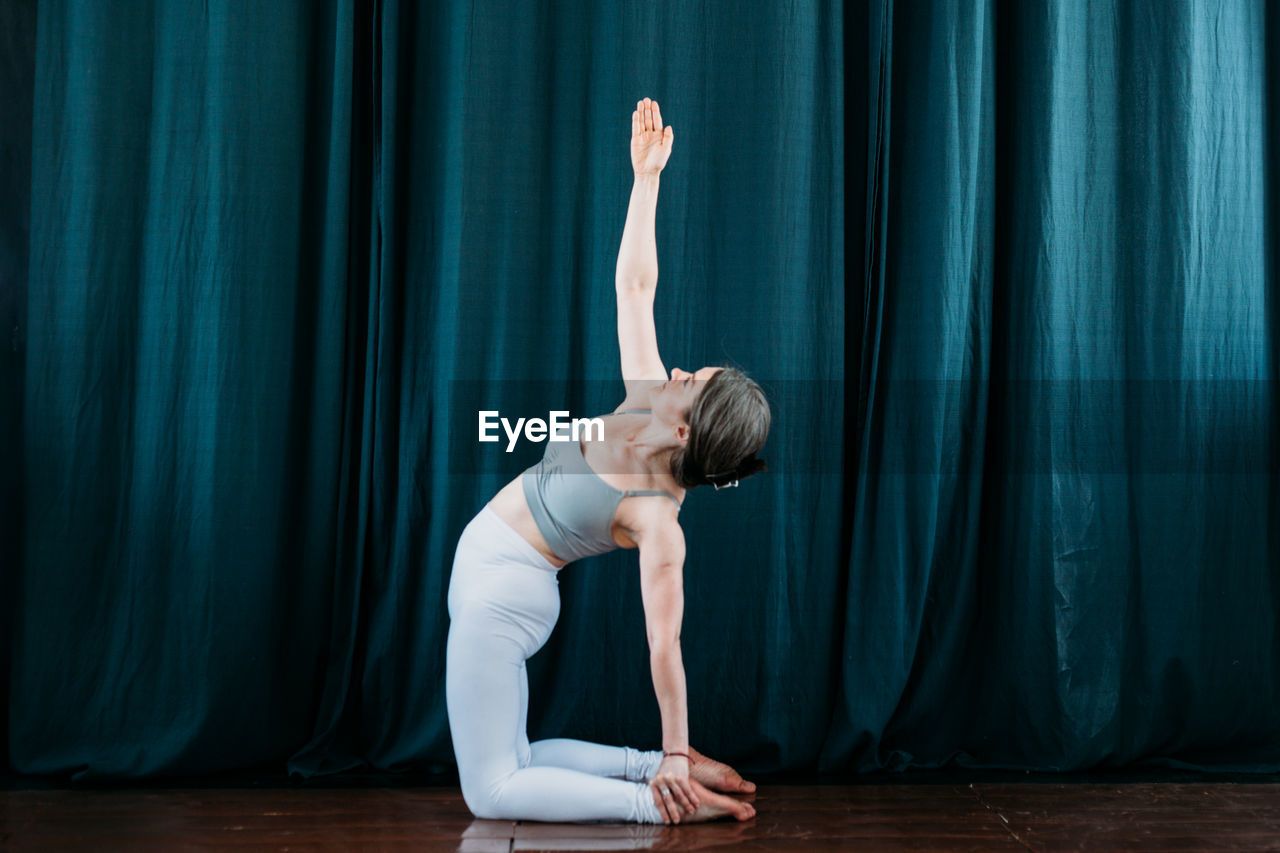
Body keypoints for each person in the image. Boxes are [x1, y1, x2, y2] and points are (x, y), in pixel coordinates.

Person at [446, 97, 770, 825]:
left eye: (694, 384)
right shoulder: (644, 395)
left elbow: (665, 645)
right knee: (516, 761)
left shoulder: (659, 522)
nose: (684, 370)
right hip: (500, 583)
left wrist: (679, 747)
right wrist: (646, 179)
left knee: (490, 792)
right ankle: (649, 774)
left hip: (504, 593)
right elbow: (634, 286)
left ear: (688, 434)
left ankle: (659, 803)